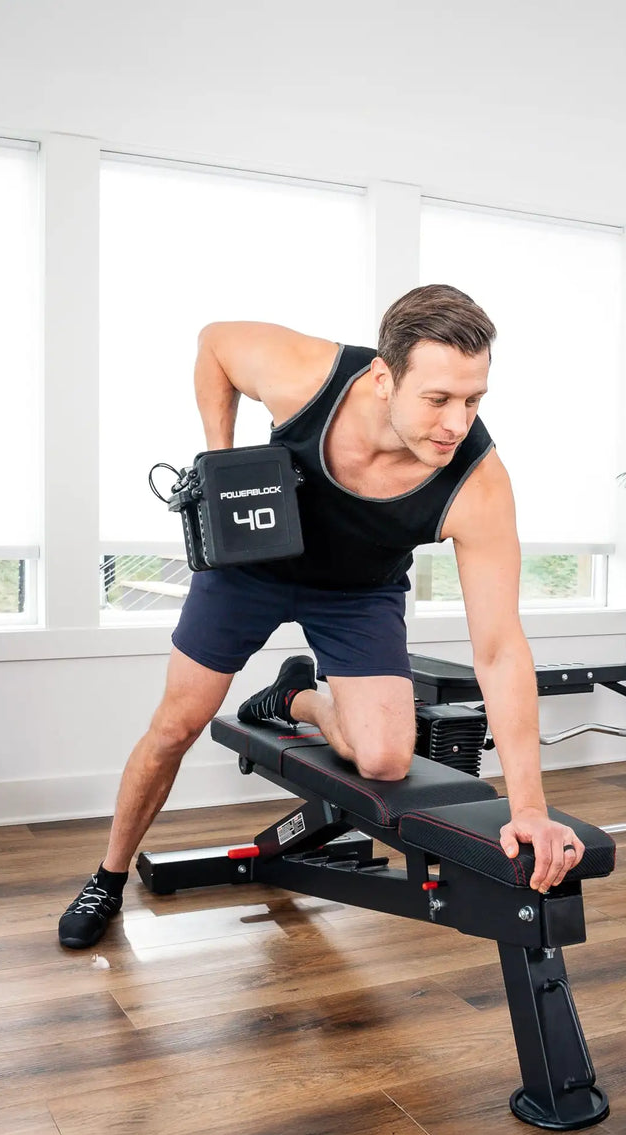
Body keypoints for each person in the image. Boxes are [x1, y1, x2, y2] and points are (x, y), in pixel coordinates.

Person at [58, 284, 586, 949]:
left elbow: (501, 648)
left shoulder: (475, 484)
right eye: (438, 399)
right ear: (384, 379)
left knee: (388, 759)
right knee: (176, 725)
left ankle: (295, 697)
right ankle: (106, 876)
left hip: (359, 593)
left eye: (473, 400)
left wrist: (529, 809)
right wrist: (222, 464)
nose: (457, 423)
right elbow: (215, 343)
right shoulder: (311, 378)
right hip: (253, 566)